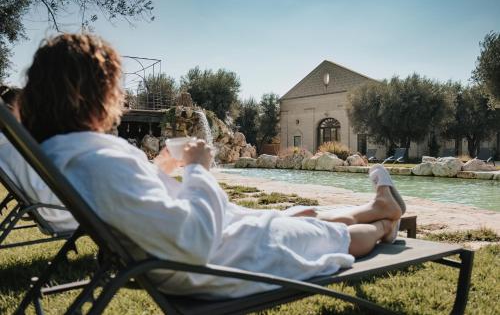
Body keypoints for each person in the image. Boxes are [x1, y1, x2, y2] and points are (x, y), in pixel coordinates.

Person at [20, 33, 403, 299]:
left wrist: (161, 167)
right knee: (336, 239)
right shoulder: (97, 160)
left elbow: (138, 204)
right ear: (92, 94)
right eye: (114, 87)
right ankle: (385, 225)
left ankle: (377, 207)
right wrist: (198, 169)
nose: (119, 95)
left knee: (303, 213)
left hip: (198, 251)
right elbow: (192, 241)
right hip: (218, 264)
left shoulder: (71, 155)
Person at [0, 85, 77, 232]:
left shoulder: (8, 144)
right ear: (11, 110)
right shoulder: (14, 144)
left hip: (53, 211)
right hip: (63, 215)